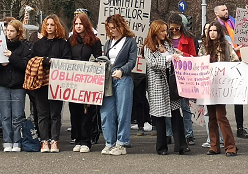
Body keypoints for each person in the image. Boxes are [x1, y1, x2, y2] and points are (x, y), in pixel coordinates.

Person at [0, 19, 31, 152]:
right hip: (3, 85)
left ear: (18, 32)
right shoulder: (0, 45)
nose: (9, 33)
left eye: (12, 31)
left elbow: (25, 66)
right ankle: (7, 141)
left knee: (17, 116)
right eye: (7, 31)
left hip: (18, 86)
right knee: (5, 115)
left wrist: (12, 57)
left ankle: (17, 141)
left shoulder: (24, 47)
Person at [143, 20, 189, 155]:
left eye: (165, 30)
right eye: (162, 30)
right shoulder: (148, 47)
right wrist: (169, 59)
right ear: (155, 31)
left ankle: (181, 145)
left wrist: (179, 56)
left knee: (176, 114)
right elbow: (153, 63)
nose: (165, 33)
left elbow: (175, 57)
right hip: (157, 85)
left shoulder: (168, 44)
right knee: (160, 117)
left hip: (171, 83)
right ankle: (161, 147)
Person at [29, 15, 72, 153]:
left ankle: (54, 140)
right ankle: (44, 141)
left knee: (55, 113)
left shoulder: (63, 44)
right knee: (42, 113)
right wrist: (47, 61)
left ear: (57, 26)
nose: (49, 27)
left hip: (57, 83)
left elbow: (67, 60)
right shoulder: (37, 44)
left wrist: (53, 61)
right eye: (47, 24)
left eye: (52, 25)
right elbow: (33, 61)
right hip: (41, 83)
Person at [198, 21, 239, 156]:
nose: (212, 33)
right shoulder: (204, 47)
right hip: (208, 85)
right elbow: (199, 63)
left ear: (219, 32)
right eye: (210, 31)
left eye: (215, 30)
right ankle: (214, 146)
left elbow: (234, 61)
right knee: (211, 117)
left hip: (222, 85)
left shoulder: (226, 45)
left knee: (221, 116)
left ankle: (230, 147)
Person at [100, 14, 137, 155]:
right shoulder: (108, 43)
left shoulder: (130, 41)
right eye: (109, 28)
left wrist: (122, 71)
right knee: (106, 112)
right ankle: (109, 142)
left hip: (123, 79)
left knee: (123, 112)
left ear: (121, 26)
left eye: (114, 28)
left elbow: (132, 61)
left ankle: (121, 143)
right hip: (108, 79)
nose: (112, 31)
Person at [68, 13, 102, 153]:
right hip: (73, 82)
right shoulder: (70, 40)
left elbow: (99, 59)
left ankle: (86, 141)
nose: (78, 26)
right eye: (76, 24)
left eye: (81, 24)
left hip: (88, 82)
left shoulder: (94, 41)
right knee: (75, 111)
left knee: (87, 112)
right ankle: (77, 139)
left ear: (86, 25)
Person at [214, 4, 248, 138]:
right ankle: (220, 129)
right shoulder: (215, 27)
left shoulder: (233, 22)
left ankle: (240, 127)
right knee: (221, 98)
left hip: (237, 61)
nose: (226, 11)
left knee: (239, 96)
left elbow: (247, 25)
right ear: (216, 13)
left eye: (227, 9)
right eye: (223, 10)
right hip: (223, 63)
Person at [167, 13, 197, 146]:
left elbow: (194, 57)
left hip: (184, 75)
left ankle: (189, 134)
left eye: (176, 28)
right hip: (169, 73)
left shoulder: (189, 38)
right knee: (168, 106)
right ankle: (169, 133)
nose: (174, 31)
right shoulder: (165, 38)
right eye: (171, 28)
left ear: (181, 26)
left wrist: (182, 54)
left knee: (185, 107)